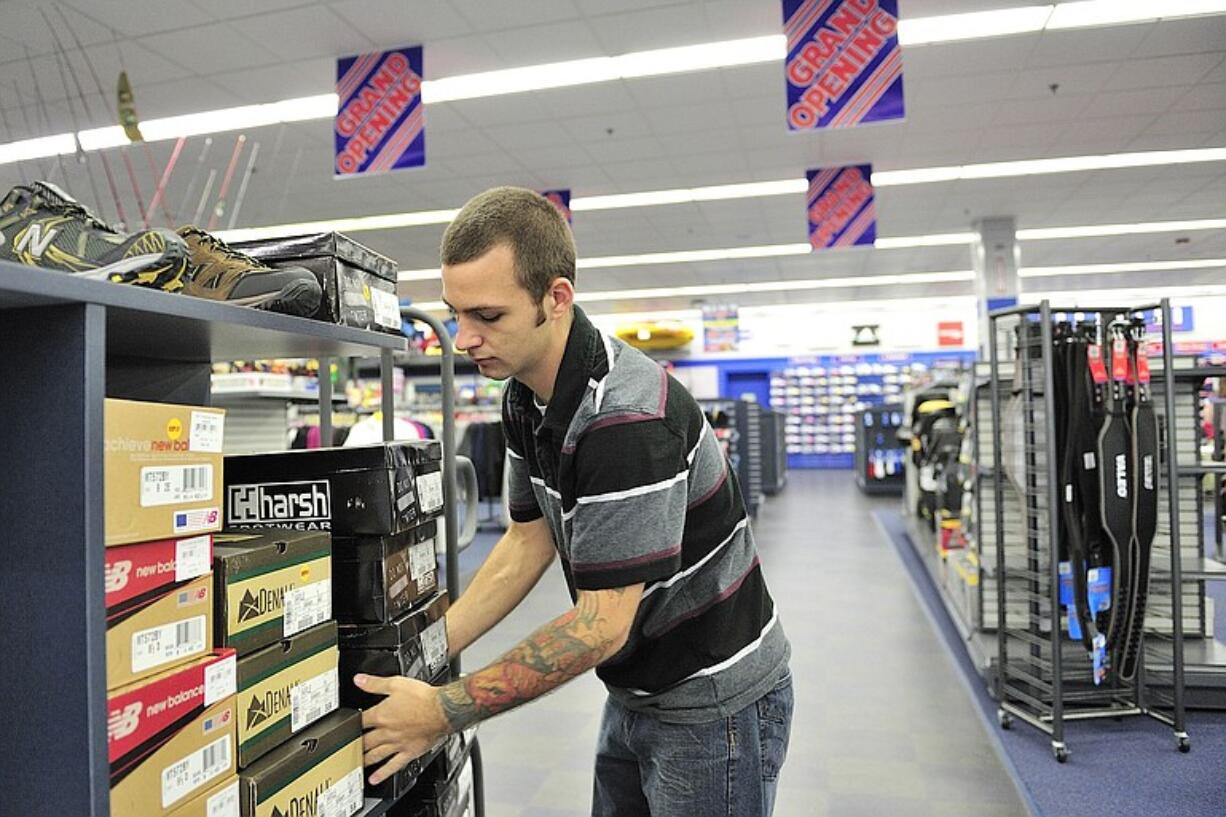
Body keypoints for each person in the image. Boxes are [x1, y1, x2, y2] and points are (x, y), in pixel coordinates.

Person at [355, 187, 793, 816]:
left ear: (555, 299)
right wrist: (424, 648)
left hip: (714, 703)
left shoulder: (625, 420)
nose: (464, 338)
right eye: (456, 314)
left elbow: (600, 625)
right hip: (638, 687)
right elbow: (526, 540)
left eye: (488, 316)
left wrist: (441, 711)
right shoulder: (524, 393)